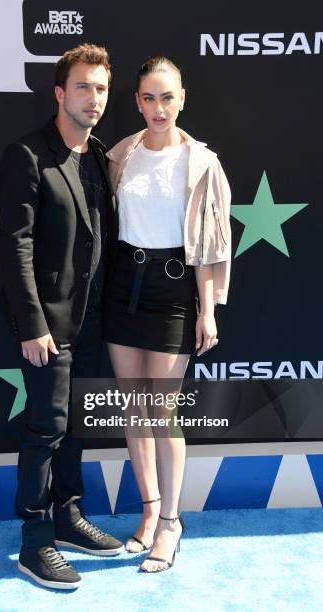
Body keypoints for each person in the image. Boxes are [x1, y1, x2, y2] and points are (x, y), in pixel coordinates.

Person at [0, 43, 123, 590]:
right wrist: (32, 326)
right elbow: (15, 247)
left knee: (74, 428)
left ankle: (69, 518)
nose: (93, 98)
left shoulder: (98, 155)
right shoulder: (27, 155)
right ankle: (33, 542)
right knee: (45, 430)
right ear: (59, 93)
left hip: (92, 320)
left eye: (101, 89)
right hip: (47, 324)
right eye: (83, 87)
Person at [103, 56, 231, 573]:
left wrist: (209, 308)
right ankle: (149, 513)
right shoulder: (119, 155)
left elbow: (211, 241)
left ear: (182, 98)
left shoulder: (202, 162)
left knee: (163, 413)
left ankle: (173, 523)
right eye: (149, 98)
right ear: (137, 101)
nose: (159, 108)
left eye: (168, 97)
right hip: (121, 288)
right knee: (134, 410)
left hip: (175, 291)